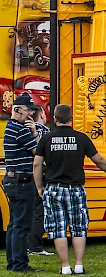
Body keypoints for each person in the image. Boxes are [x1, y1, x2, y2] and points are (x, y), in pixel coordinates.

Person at [33, 104, 106, 275]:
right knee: (79, 227)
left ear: (55, 119)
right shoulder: (81, 138)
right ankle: (79, 265)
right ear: (71, 119)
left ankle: (65, 267)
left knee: (58, 228)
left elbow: (37, 164)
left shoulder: (47, 139)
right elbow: (99, 160)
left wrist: (39, 187)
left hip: (53, 188)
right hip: (75, 188)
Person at [4, 94, 42, 273]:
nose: (30, 115)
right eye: (28, 110)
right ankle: (19, 264)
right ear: (17, 110)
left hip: (13, 180)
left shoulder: (10, 127)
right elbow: (38, 151)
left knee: (14, 224)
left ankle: (13, 261)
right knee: (22, 224)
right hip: (22, 181)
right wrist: (34, 133)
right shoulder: (20, 129)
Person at [26, 106, 51, 257]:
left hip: (26, 174)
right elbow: (45, 155)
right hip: (40, 174)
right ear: (41, 114)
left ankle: (29, 243)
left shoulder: (23, 130)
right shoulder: (44, 132)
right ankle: (35, 245)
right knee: (40, 211)